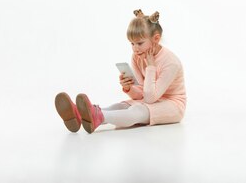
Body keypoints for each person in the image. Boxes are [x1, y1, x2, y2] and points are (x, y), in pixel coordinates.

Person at [54, 9, 186, 133]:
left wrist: (150, 67)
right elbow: (141, 95)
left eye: (139, 43)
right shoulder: (137, 57)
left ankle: (99, 116)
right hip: (151, 98)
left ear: (156, 39)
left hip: (172, 105)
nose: (135, 49)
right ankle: (80, 113)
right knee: (122, 105)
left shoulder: (170, 62)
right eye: (132, 43)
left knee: (138, 109)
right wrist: (129, 88)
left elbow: (149, 98)